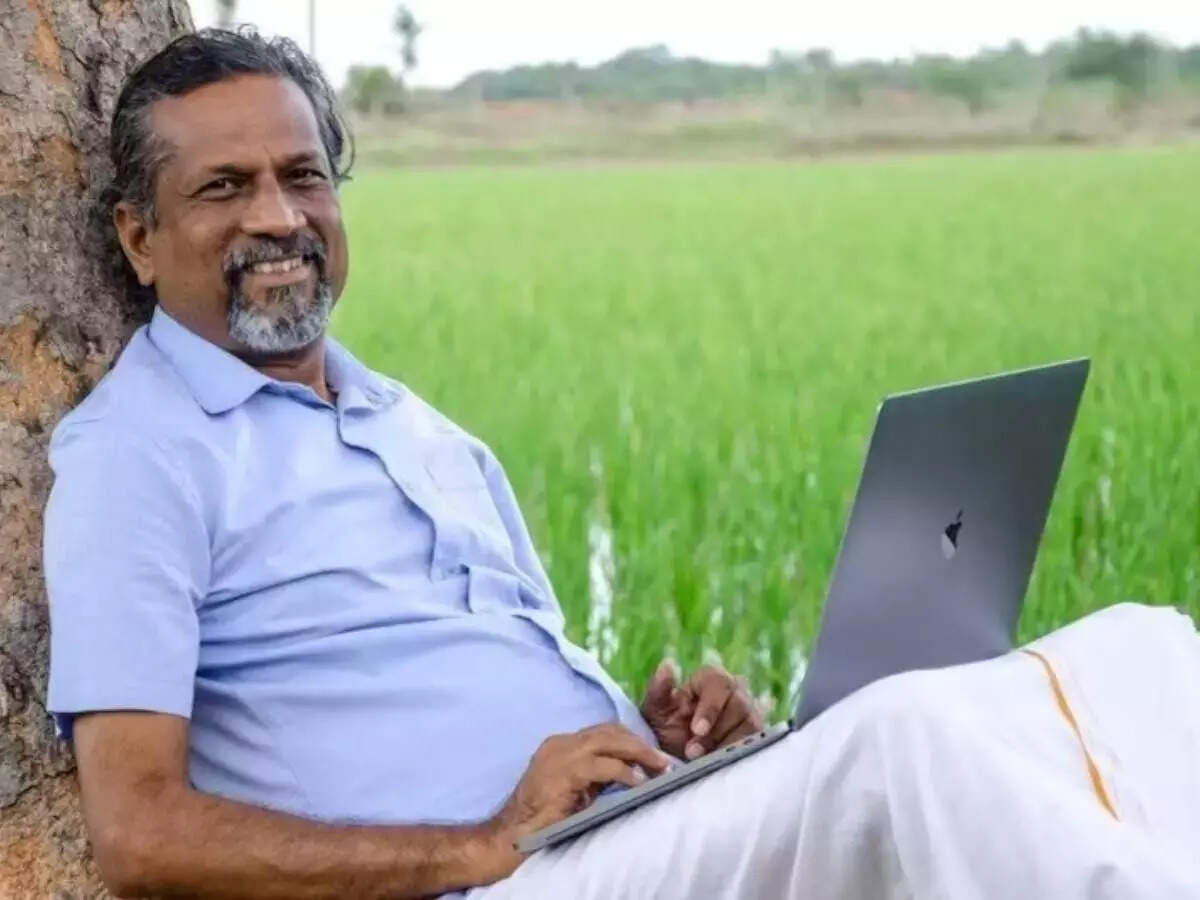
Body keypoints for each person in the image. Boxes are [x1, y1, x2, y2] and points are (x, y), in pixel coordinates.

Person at [43, 29, 1200, 899]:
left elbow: (508, 679)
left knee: (1141, 642)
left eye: (304, 176)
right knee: (902, 740)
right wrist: (485, 838)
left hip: (616, 830)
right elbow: (138, 831)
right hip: (507, 882)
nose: (279, 215)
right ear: (140, 237)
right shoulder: (140, 457)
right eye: (223, 187)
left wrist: (666, 741)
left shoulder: (414, 426)